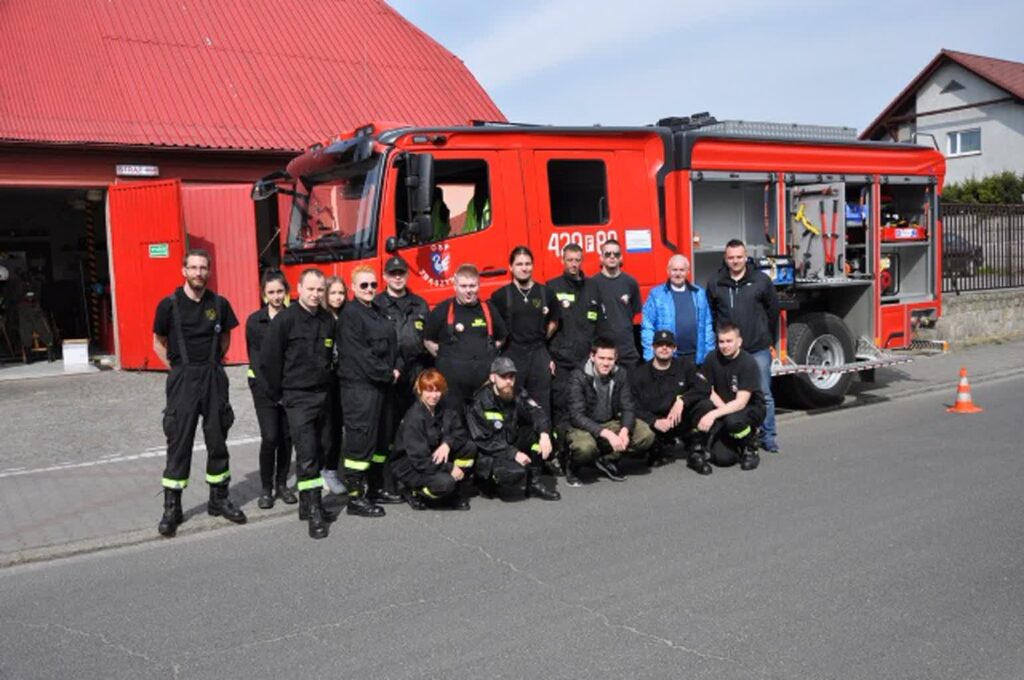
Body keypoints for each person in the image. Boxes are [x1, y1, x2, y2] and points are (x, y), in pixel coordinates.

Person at [152, 249, 245, 537]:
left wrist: (210, 366)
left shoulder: (219, 303)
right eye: (193, 268)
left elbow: (226, 339)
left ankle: (219, 499)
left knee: (218, 439)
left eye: (203, 268)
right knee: (179, 442)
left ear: (209, 271)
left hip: (213, 376)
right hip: (183, 379)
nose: (198, 273)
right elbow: (158, 342)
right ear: (184, 271)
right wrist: (179, 370)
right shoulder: (169, 305)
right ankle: (172, 507)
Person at [260, 268, 338, 539]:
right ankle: (315, 512)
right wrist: (279, 395)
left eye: (320, 290)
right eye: (311, 289)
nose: (316, 294)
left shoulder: (328, 320)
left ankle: (306, 504)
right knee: (307, 456)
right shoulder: (285, 320)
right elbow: (267, 362)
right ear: (299, 288)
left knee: (323, 447)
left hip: (323, 395)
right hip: (297, 397)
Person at [705, 239, 780, 453]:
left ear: (746, 257)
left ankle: (769, 436)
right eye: (731, 257)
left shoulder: (761, 280)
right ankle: (739, 434)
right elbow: (710, 314)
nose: (735, 261)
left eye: (739, 257)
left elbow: (772, 312)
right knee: (730, 396)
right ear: (725, 259)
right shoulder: (715, 282)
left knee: (763, 394)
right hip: (727, 352)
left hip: (757, 348)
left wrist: (769, 341)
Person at [338, 265, 400, 516]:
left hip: (381, 387)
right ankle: (355, 497)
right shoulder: (350, 315)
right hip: (360, 389)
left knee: (381, 439)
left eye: (373, 285)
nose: (369, 289)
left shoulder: (378, 311)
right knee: (360, 442)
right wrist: (388, 372)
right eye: (364, 285)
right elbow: (360, 355)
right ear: (353, 287)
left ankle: (376, 487)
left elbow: (392, 345)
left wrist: (395, 367)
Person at [466, 357, 561, 501]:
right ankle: (486, 483)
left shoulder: (517, 393)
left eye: (511, 377)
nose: (508, 381)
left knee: (547, 435)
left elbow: (537, 412)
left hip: (509, 440)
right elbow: (483, 441)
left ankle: (534, 484)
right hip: (490, 453)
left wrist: (544, 434)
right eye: (503, 377)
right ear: (493, 377)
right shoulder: (479, 402)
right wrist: (514, 453)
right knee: (513, 473)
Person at [375, 255, 432, 498]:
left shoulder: (420, 304)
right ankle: (385, 481)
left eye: (401, 273)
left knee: (414, 428)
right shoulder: (377, 304)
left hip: (415, 371)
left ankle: (412, 478)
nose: (397, 277)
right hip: (389, 374)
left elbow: (429, 339)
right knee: (387, 430)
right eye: (393, 273)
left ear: (407, 276)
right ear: (385, 277)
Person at [563, 337, 655, 486]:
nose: (606, 363)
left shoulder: (621, 374)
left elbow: (628, 406)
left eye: (610, 359)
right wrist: (608, 435)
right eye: (602, 358)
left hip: (609, 421)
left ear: (616, 358)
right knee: (585, 448)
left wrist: (624, 431)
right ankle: (571, 465)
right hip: (582, 426)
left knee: (645, 435)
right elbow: (576, 416)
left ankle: (607, 459)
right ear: (592, 357)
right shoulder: (578, 376)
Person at [423, 264, 507, 413]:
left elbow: (502, 338)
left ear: (479, 285)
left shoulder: (489, 309)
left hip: (484, 387)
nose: (468, 291)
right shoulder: (442, 310)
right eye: (463, 286)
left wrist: (486, 354)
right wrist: (447, 358)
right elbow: (428, 340)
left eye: (472, 286)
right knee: (453, 428)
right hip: (452, 390)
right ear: (455, 286)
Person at [245, 270, 296, 510]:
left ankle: (282, 485)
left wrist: (288, 391)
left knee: (287, 438)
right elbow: (256, 361)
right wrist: (275, 393)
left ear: (286, 292)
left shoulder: (293, 317)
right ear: (264, 294)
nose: (276, 296)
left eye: (280, 291)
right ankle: (266, 489)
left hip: (289, 388)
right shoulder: (255, 321)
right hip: (264, 388)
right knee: (270, 437)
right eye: (271, 292)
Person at [490, 246, 560, 420]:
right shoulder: (500, 295)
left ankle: (545, 442)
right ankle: (515, 444)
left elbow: (554, 322)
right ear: (511, 267)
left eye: (528, 264)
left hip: (538, 352)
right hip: (512, 353)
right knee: (512, 402)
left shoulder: (546, 293)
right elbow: (493, 328)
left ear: (533, 266)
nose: (524, 268)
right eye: (519, 264)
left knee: (542, 403)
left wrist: (543, 347)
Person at [391, 369, 477, 510]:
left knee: (469, 447)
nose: (434, 395)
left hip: (433, 457)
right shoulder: (415, 418)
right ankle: (417, 492)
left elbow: (460, 433)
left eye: (437, 390)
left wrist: (447, 444)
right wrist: (450, 468)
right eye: (429, 390)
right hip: (411, 465)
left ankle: (456, 491)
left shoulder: (445, 409)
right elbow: (420, 461)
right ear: (419, 390)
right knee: (444, 483)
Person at [630, 330, 714, 467]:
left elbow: (704, 387)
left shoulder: (685, 366)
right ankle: (656, 448)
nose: (664, 348)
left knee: (705, 405)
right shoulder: (639, 373)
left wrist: (682, 400)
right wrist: (653, 421)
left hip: (679, 421)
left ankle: (696, 449)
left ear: (674, 348)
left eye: (668, 345)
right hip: (655, 424)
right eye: (660, 344)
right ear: (653, 347)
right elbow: (631, 404)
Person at [690, 322, 765, 474]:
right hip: (725, 408)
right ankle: (716, 444)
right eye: (721, 341)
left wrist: (715, 414)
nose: (725, 346)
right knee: (723, 460)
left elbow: (740, 403)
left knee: (733, 421)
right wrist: (721, 410)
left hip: (748, 409)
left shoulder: (747, 363)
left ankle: (751, 445)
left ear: (739, 342)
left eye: (729, 341)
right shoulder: (712, 358)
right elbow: (707, 389)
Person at [640, 254, 714, 364]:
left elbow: (707, 326)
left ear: (688, 272)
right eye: (674, 270)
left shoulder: (699, 293)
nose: (678, 274)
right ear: (668, 271)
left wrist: (709, 355)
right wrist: (650, 357)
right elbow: (647, 327)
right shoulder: (656, 295)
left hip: (696, 358)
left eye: (681, 270)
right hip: (668, 358)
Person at [592, 239, 642, 367]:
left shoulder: (631, 283)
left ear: (621, 258)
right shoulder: (592, 284)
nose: (612, 257)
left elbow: (634, 314)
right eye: (608, 254)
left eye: (616, 254)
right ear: (601, 258)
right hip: (603, 355)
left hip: (627, 352)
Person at [320, 275, 347, 496]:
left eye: (341, 293)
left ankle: (331, 470)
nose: (337, 297)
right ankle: (321, 469)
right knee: (325, 428)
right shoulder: (321, 318)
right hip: (325, 380)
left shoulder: (347, 316)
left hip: (344, 379)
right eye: (333, 293)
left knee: (338, 427)